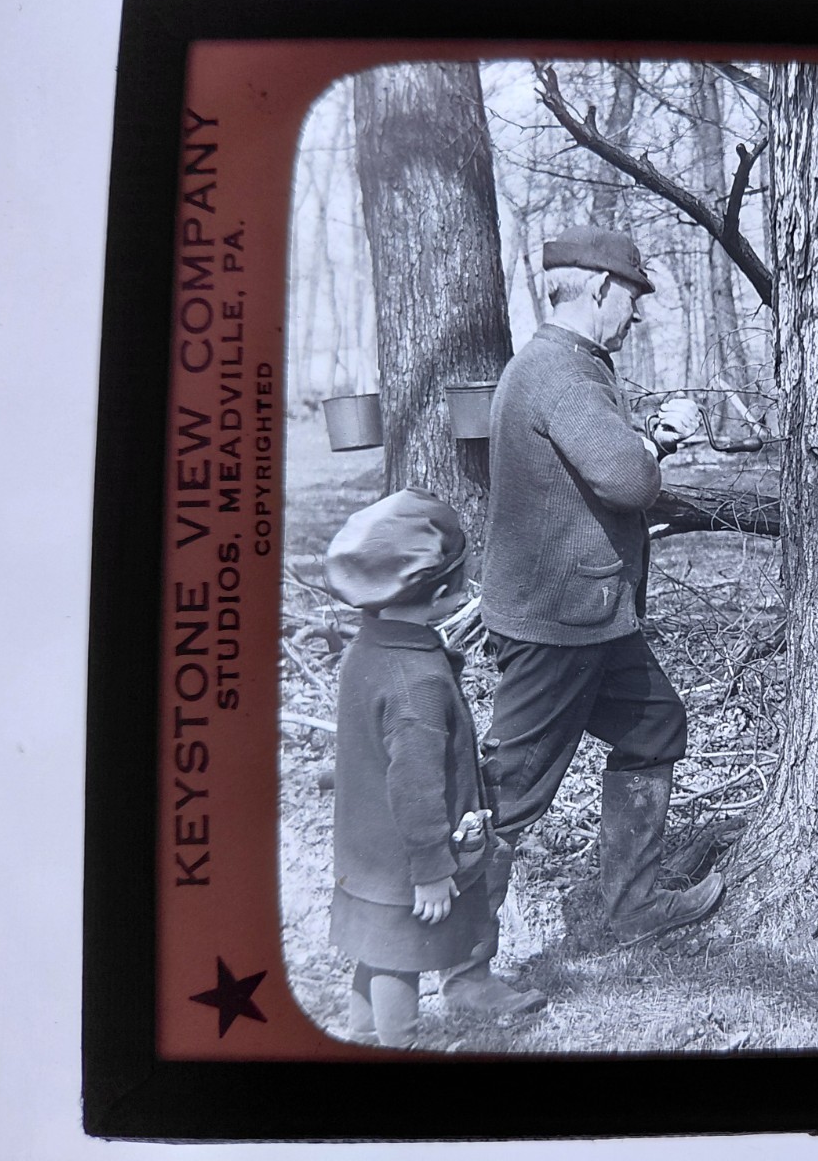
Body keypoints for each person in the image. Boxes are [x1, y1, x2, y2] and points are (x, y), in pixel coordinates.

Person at [458, 225, 724, 984]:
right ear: (602, 290)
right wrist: (651, 452)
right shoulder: (564, 374)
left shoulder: (555, 366)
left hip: (587, 614)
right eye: (633, 298)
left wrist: (649, 444)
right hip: (561, 625)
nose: (636, 316)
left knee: (654, 724)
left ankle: (630, 906)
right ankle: (465, 973)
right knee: (511, 795)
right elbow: (627, 482)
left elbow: (600, 465)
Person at [322, 488, 540, 1048]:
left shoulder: (368, 650)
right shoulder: (415, 679)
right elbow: (415, 783)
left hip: (366, 851)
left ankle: (363, 1032)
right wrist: (431, 867)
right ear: (443, 592)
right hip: (405, 858)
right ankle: (403, 1044)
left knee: (376, 951)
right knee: (402, 957)